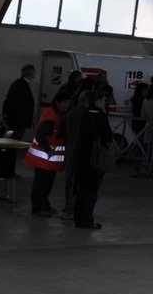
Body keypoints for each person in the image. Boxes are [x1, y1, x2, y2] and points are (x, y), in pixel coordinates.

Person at [72, 88, 115, 229]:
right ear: (98, 101)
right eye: (103, 101)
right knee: (91, 190)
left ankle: (78, 218)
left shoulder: (84, 114)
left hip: (82, 156)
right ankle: (86, 220)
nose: (105, 103)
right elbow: (107, 136)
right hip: (96, 157)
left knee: (81, 189)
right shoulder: (101, 117)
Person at [25, 90, 70, 216]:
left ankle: (44, 205)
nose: (67, 105)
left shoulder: (57, 115)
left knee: (47, 183)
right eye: (65, 103)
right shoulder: (51, 117)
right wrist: (48, 149)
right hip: (43, 158)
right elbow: (40, 135)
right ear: (58, 103)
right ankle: (38, 208)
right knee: (42, 184)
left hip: (47, 159)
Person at [3, 64, 35, 138]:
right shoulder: (23, 86)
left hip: (15, 119)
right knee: (15, 138)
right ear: (31, 73)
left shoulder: (18, 84)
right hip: (18, 120)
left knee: (13, 137)